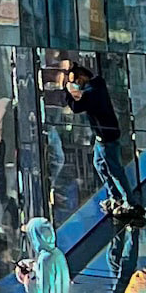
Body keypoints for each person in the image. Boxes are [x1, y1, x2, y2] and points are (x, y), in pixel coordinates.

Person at [64, 62, 139, 212]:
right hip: (101, 138)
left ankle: (129, 202)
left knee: (115, 170)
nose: (76, 84)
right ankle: (115, 196)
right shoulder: (98, 84)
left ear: (83, 77)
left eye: (76, 80)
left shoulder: (92, 93)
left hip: (106, 139)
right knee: (99, 165)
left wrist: (66, 92)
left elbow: (76, 107)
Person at [18, 216, 71, 293]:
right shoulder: (58, 253)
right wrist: (34, 266)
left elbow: (43, 289)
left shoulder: (45, 258)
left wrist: (27, 282)